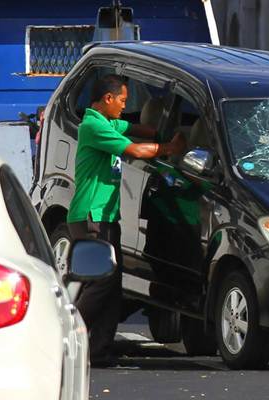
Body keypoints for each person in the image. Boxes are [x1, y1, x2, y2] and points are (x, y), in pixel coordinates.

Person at [66, 74, 186, 364]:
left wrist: (160, 131)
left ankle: (98, 350)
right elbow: (133, 149)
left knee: (112, 285)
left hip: (106, 217)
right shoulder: (93, 126)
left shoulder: (108, 122)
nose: (124, 106)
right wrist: (169, 149)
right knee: (100, 283)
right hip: (91, 216)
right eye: (122, 100)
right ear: (107, 99)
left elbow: (135, 128)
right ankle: (66, 339)